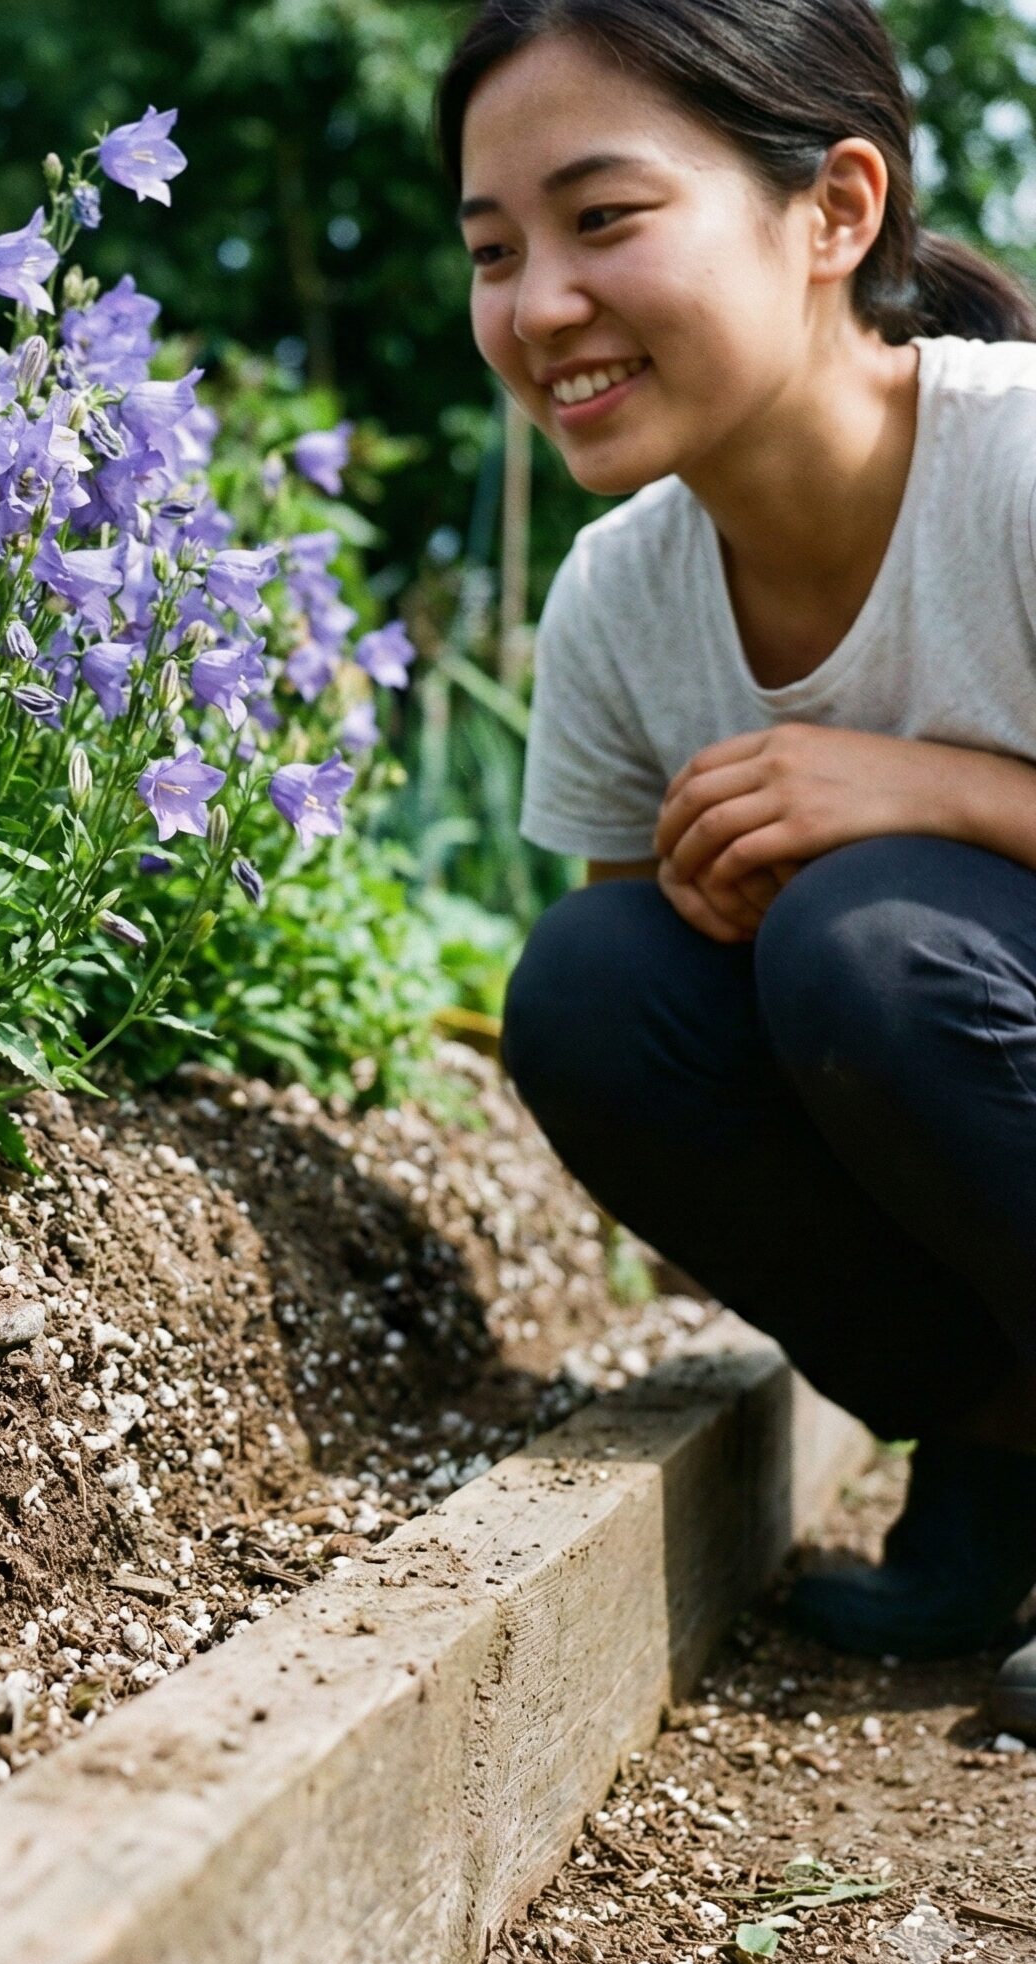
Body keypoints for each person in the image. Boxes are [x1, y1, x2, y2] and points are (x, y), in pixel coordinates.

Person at [438, 0, 1036, 1732]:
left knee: (873, 938)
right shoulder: (623, 598)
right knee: (598, 985)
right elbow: (662, 1045)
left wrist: (935, 789)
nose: (540, 306)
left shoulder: (1014, 469)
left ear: (836, 213)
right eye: (496, 250)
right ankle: (999, 1455)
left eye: (604, 220)